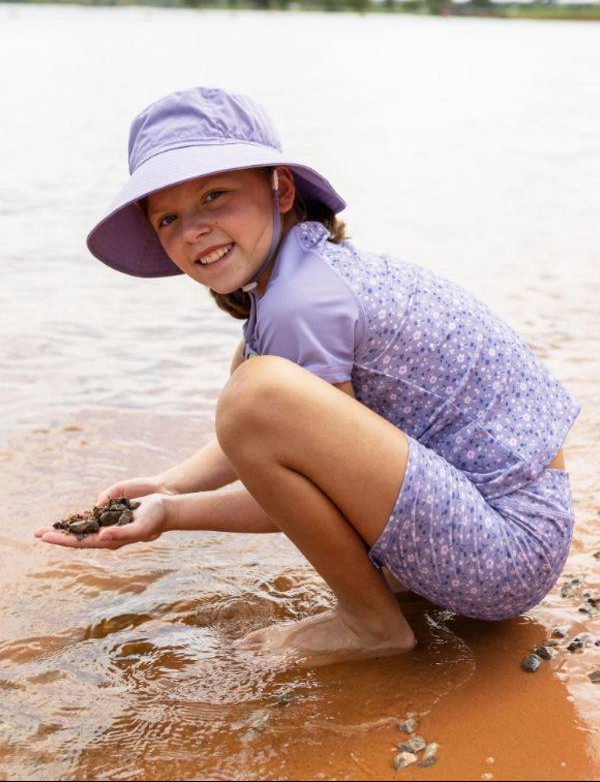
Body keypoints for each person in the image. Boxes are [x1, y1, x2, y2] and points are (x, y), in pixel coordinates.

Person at [35, 87, 580, 665]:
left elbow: (295, 481)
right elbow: (278, 441)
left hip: (505, 553)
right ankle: (393, 596)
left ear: (281, 190)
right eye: (168, 218)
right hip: (511, 528)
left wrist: (173, 516)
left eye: (214, 195)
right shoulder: (305, 276)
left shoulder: (300, 304)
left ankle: (372, 625)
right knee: (250, 378)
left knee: (253, 393)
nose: (193, 229)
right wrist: (169, 485)